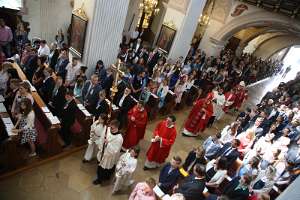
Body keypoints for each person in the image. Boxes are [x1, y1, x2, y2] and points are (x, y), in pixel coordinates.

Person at [94, 120, 123, 185]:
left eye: (112, 128)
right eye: (110, 126)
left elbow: (115, 150)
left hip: (109, 156)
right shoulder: (107, 129)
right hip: (102, 152)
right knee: (100, 167)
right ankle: (99, 179)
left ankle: (102, 178)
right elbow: (102, 138)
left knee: (105, 168)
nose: (110, 129)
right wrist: (101, 146)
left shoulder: (119, 138)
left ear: (117, 127)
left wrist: (107, 144)